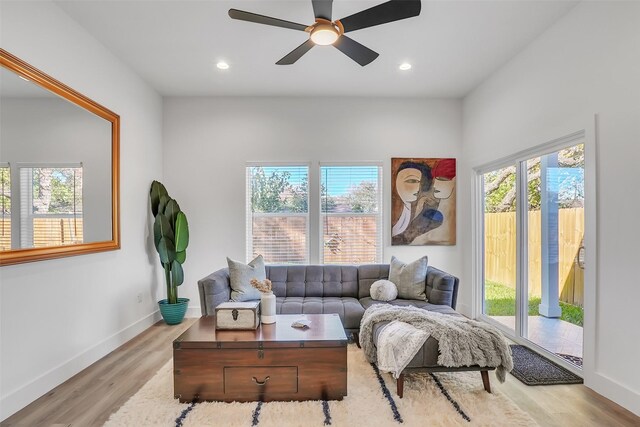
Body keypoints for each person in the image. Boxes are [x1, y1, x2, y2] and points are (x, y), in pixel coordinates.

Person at [392, 161, 442, 245]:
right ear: (396, 182)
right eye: (411, 181)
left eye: (421, 182)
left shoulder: (428, 211)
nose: (418, 187)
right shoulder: (395, 211)